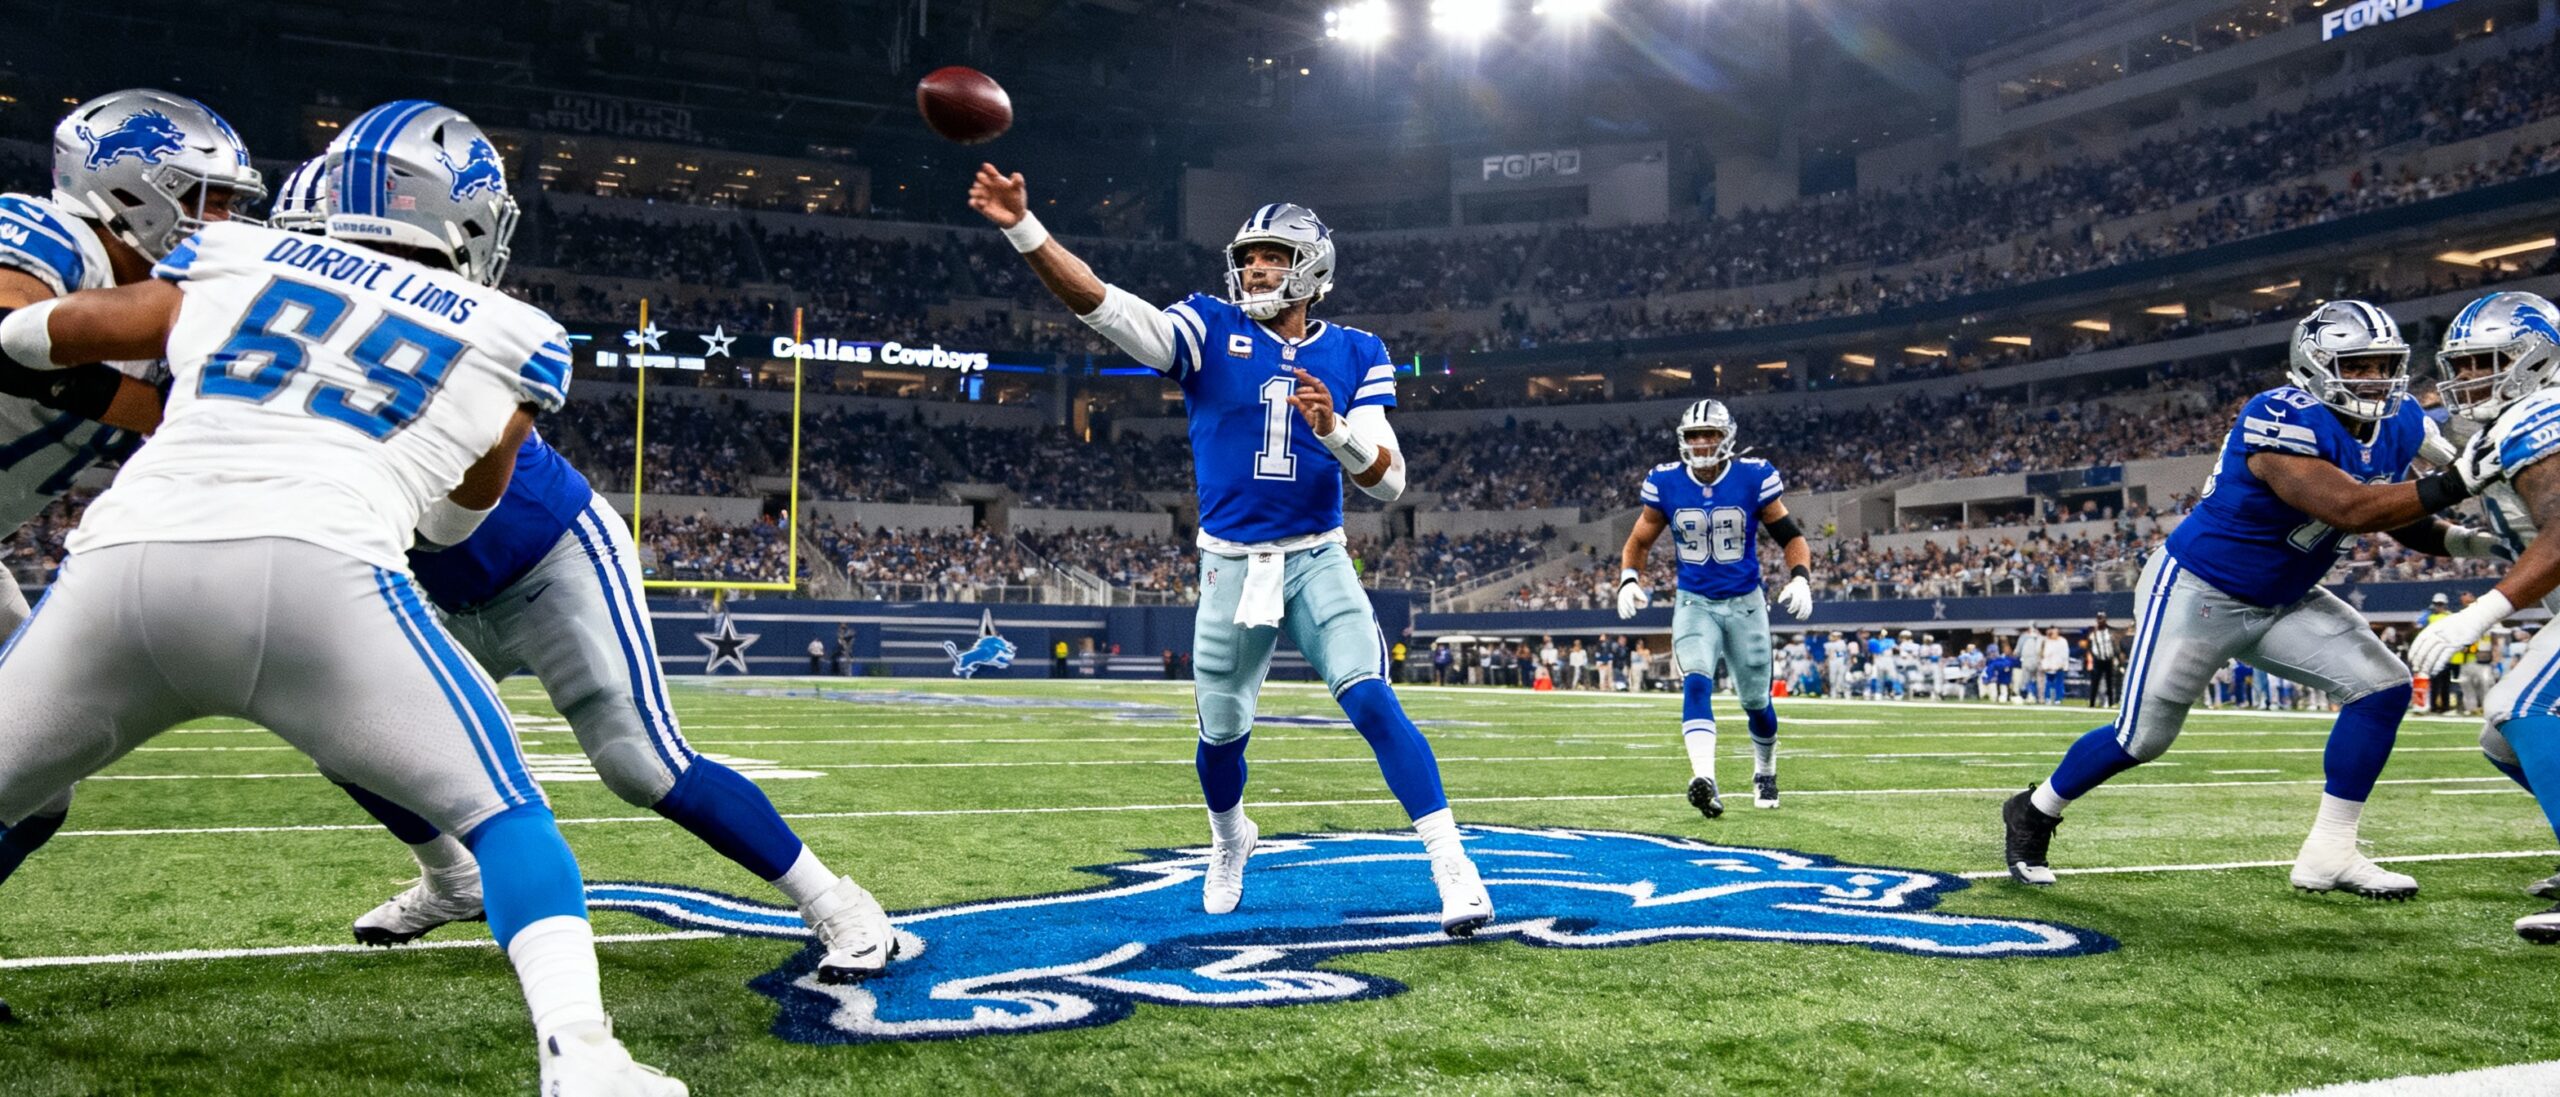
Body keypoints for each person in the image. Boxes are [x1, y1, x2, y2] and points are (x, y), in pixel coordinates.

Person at [0, 100, 682, 1093]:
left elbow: (36, 333)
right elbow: (462, 513)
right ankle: (585, 1056)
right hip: (321, 569)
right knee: (506, 815)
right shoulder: (516, 331)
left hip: (123, 564)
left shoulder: (234, 261)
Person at [254, 156, 897, 985]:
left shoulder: (450, 329)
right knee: (344, 738)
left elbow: (464, 487)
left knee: (642, 763)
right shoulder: (281, 354)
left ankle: (839, 902)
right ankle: (452, 880)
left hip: (549, 556)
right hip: (440, 584)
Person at [972, 171, 1490, 933]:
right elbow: (1106, 307)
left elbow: (1391, 481)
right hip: (1230, 562)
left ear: (1310, 264)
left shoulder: (1355, 351)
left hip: (1318, 556)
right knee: (1219, 740)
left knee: (1373, 696)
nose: (1254, 269)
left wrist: (1337, 431)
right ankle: (1229, 837)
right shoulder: (1208, 327)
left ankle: (1453, 863)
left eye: (1272, 256)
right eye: (1248, 256)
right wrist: (1025, 229)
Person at [2004, 300, 2503, 899]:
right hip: (2201, 590)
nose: (2374, 379)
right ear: (2316, 365)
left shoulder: (2403, 422)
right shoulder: (2276, 415)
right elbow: (2350, 508)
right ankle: (2035, 810)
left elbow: (2401, 512)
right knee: (2141, 738)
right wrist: (2465, 475)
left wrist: (2477, 542)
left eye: (2382, 365)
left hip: (2286, 597)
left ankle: (2331, 852)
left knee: (2382, 688)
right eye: (2358, 365)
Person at [2406, 291, 2560, 940]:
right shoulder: (2508, 425)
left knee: (2519, 707)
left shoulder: (2543, 412)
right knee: (2501, 739)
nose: (2470, 378)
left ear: (2535, 358)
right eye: (2463, 365)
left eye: (2485, 362)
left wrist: (2480, 616)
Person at [1616, 399, 1814, 815]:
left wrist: (1800, 577)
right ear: (1682, 440)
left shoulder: (1753, 476)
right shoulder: (1665, 482)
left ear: (1728, 437)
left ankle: (1765, 770)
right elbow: (1638, 540)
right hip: (1694, 602)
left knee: (1756, 702)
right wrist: (1629, 577)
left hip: (1745, 603)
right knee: (1697, 680)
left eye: (1710, 434)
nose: (1702, 443)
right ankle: (1704, 777)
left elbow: (1791, 536)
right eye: (1693, 435)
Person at [2087, 613, 2121, 708]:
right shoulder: (2093, 633)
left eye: (2102, 619)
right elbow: (2089, 647)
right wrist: (2092, 658)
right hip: (2098, 660)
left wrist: (2116, 657)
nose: (2101, 621)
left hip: (2108, 660)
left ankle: (2111, 702)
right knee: (2095, 682)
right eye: (2099, 619)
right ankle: (2092, 703)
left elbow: (2114, 646)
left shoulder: (2109, 632)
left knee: (2109, 682)